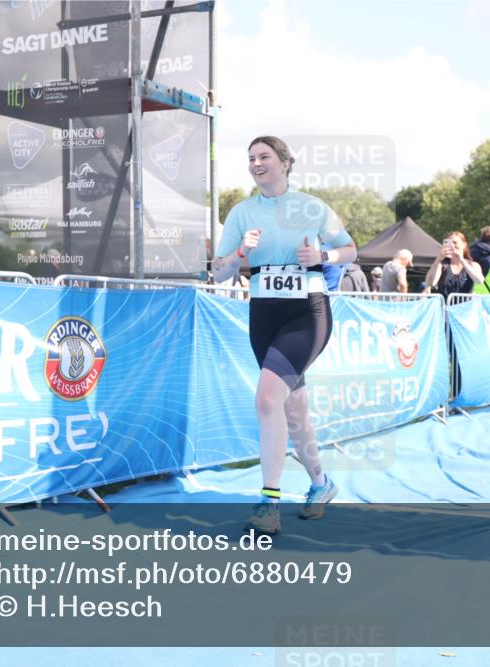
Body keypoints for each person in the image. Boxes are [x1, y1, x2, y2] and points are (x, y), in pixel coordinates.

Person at [212, 136, 357, 535]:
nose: (256, 164)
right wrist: (240, 252)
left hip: (306, 313)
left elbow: (350, 250)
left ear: (285, 163)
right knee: (293, 412)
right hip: (263, 314)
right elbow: (218, 270)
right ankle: (321, 484)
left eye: (264, 157)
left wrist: (323, 257)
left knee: (266, 398)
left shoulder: (311, 207)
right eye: (251, 159)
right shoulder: (241, 213)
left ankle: (268, 503)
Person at [425, 231, 484, 299]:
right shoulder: (442, 265)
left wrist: (462, 261)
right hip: (445, 307)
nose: (452, 246)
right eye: (449, 243)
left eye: (455, 242)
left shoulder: (472, 265)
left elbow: (479, 281)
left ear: (464, 245)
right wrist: (438, 260)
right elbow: (430, 282)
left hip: (466, 307)